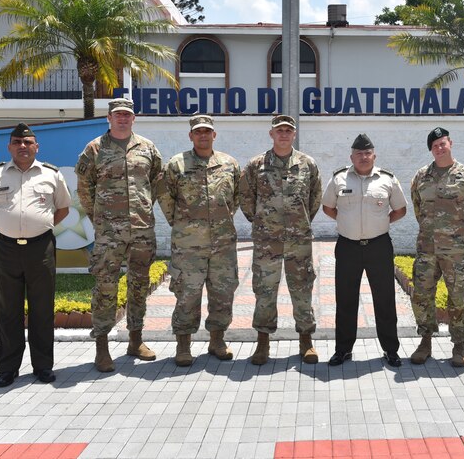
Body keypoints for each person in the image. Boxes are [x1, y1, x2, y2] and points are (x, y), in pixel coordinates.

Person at [0, 123, 71, 387]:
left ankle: (43, 367)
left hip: (41, 248)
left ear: (36, 146)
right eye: (17, 142)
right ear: (10, 147)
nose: (23, 146)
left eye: (28, 142)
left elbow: (62, 209)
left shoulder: (51, 174)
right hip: (6, 248)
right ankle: (7, 368)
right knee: (7, 309)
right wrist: (5, 226)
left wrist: (40, 226)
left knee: (42, 308)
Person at [75, 98, 163, 372]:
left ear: (133, 118)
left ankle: (135, 340)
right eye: (118, 115)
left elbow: (157, 183)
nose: (123, 119)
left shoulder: (147, 148)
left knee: (139, 286)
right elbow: (84, 189)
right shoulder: (94, 149)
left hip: (141, 230)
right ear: (109, 118)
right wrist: (99, 219)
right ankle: (102, 347)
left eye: (127, 115)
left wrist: (145, 209)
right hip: (109, 233)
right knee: (105, 287)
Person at [157, 115, 241, 367]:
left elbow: (235, 198)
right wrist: (183, 225)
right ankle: (183, 345)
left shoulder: (229, 164)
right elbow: (165, 197)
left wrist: (218, 221)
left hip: (223, 244)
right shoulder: (176, 165)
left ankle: (217, 340)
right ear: (190, 135)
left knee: (223, 293)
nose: (203, 135)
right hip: (188, 245)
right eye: (198, 132)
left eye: (207, 131)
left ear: (214, 135)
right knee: (187, 294)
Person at [239, 114, 322, 365]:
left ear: (294, 134)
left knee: (302, 289)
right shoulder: (256, 165)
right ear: (271, 134)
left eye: (288, 130)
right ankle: (263, 343)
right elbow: (245, 197)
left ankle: (306, 341)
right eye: (279, 130)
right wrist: (262, 222)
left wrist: (301, 221)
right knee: (265, 291)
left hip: (299, 241)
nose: (284, 134)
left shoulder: (307, 164)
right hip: (267, 241)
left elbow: (314, 198)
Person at [322, 133, 407, 368]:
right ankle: (343, 350)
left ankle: (391, 350)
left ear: (374, 155)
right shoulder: (339, 179)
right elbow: (328, 207)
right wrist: (346, 221)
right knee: (346, 299)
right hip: (348, 246)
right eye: (359, 153)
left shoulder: (387, 179)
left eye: (367, 153)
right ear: (351, 156)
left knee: (385, 299)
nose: (363, 156)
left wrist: (381, 223)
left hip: (378, 246)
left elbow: (400, 209)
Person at [410, 127, 464, 367]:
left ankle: (459, 344)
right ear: (431, 150)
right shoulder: (421, 176)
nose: (439, 148)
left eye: (443, 143)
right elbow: (418, 207)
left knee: (458, 298)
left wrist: (463, 236)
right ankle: (425, 341)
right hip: (427, 249)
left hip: (456, 251)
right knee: (422, 296)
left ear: (450, 143)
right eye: (435, 146)